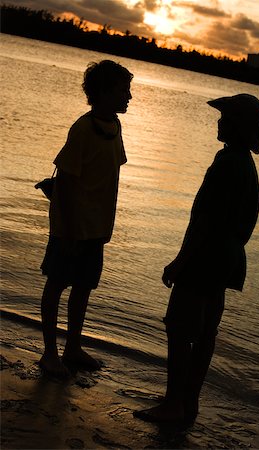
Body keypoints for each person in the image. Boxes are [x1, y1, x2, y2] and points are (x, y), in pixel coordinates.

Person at [134, 93, 259, 423]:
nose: (219, 121)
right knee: (206, 333)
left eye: (225, 117)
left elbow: (206, 220)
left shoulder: (229, 163)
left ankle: (174, 404)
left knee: (179, 330)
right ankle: (189, 403)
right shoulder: (245, 164)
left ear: (236, 126)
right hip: (226, 260)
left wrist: (180, 260)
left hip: (205, 258)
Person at [39, 60, 133, 377]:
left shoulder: (114, 129)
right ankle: (50, 354)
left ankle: (73, 347)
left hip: (96, 228)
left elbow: (108, 177)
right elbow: (64, 182)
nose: (129, 97)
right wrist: (67, 231)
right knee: (56, 285)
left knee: (83, 287)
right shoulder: (82, 129)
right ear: (103, 93)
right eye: (123, 90)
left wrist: (105, 226)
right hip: (70, 227)